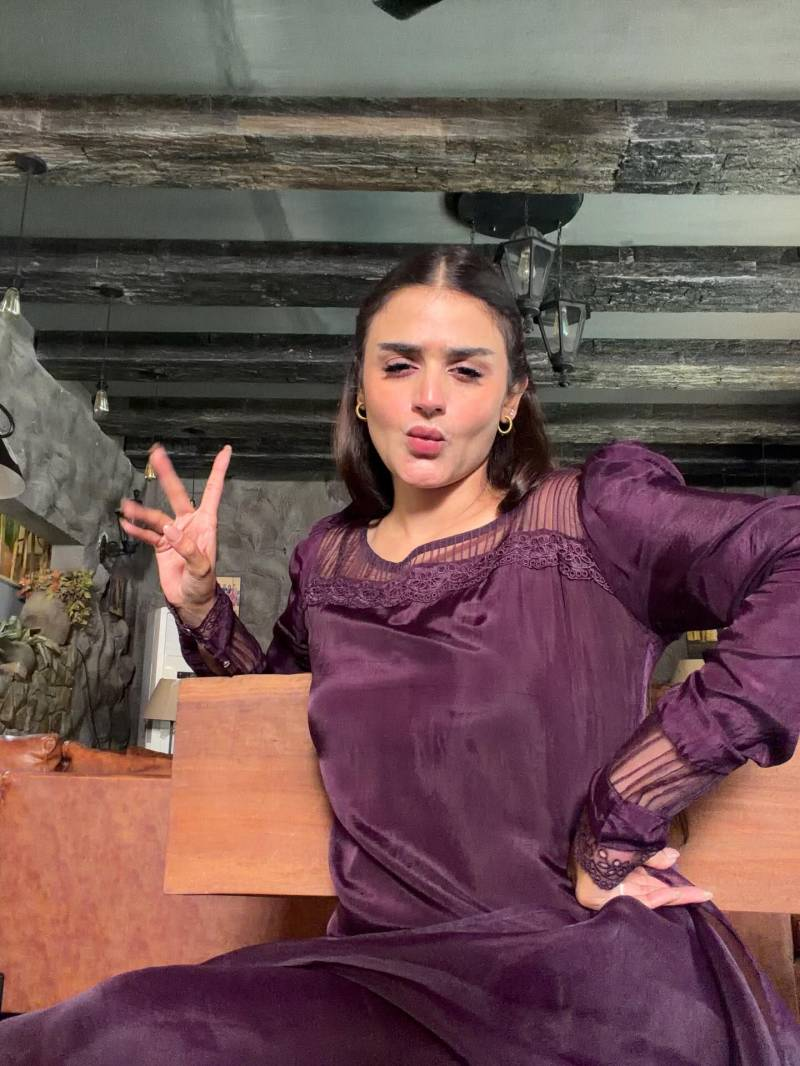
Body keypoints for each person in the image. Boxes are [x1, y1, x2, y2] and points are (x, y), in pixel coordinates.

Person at [2, 246, 799, 1065]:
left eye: (466, 370)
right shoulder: (329, 560)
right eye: (399, 365)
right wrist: (202, 605)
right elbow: (279, 714)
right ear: (360, 389)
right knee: (117, 1028)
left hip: (577, 980)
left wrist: (626, 807)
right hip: (376, 977)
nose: (428, 397)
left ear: (511, 400)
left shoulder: (592, 518)